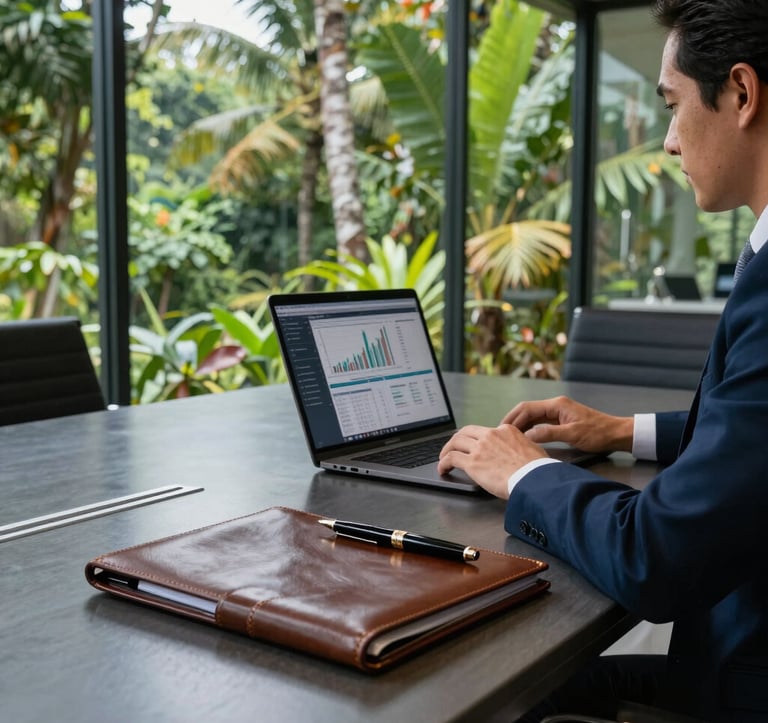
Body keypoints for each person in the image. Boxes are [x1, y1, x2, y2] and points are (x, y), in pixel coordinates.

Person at [438, 1, 768, 721]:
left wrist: (521, 470)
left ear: (741, 94)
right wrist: (621, 431)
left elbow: (654, 556)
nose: (671, 141)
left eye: (674, 105)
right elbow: (752, 432)